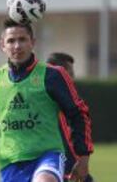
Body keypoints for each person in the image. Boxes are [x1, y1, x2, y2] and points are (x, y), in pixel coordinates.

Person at [0, 19, 93, 182]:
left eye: (22, 40)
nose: (17, 46)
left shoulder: (52, 75)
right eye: (11, 41)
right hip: (11, 162)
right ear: (2, 45)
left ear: (32, 43)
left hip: (49, 156)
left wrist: (83, 158)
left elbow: (78, 113)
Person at [47, 52, 95, 182]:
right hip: (61, 167)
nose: (72, 79)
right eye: (70, 74)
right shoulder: (52, 100)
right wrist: (80, 162)